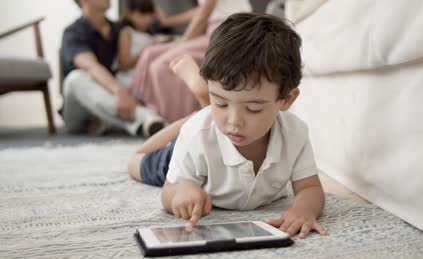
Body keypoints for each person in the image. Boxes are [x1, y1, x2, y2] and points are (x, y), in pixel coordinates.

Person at [128, 13, 327, 239]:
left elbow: (310, 188)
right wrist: (181, 191)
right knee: (137, 162)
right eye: (221, 102)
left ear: (287, 100)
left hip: (208, 134)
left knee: (208, 119)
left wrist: (303, 209)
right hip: (190, 156)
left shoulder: (295, 133)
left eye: (253, 108)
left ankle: (206, 105)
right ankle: (200, 110)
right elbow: (168, 191)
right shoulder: (197, 136)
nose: (234, 121)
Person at [129, 0, 252, 124]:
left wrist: (182, 42)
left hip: (230, 32)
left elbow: (205, 12)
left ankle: (179, 124)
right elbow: (203, 10)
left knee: (160, 66)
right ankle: (141, 108)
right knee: (150, 53)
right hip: (214, 30)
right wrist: (168, 22)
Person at [61, 0, 164, 137]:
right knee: (75, 78)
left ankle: (130, 122)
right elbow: (90, 66)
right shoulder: (73, 32)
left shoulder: (119, 30)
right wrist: (119, 91)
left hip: (115, 101)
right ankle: (144, 117)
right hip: (82, 109)